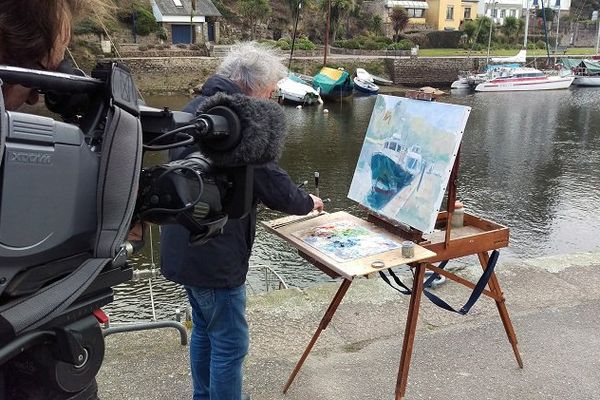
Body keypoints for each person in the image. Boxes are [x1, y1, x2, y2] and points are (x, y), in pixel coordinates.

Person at [160, 42, 324, 400]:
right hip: (214, 255)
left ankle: (204, 396)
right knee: (230, 344)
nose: (272, 101)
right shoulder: (241, 123)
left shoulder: (196, 108)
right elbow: (273, 185)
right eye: (270, 92)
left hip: (184, 244)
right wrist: (307, 202)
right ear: (250, 86)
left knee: (205, 329)